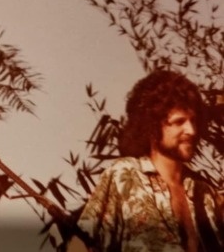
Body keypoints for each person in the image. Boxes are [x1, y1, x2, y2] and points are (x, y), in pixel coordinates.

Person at [76, 70, 223, 252]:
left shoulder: (205, 194)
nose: (191, 130)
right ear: (152, 127)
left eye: (193, 120)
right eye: (179, 122)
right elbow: (79, 244)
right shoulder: (124, 175)